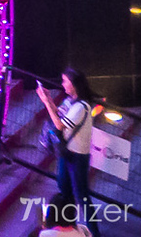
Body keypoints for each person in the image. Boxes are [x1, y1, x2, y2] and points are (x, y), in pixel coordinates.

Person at [37, 69, 101, 237]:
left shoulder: (82, 106)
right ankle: (67, 226)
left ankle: (94, 233)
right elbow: (59, 114)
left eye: (65, 81)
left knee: (82, 197)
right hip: (67, 153)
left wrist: (45, 102)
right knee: (64, 189)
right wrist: (49, 100)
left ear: (74, 84)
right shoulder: (70, 102)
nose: (63, 84)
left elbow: (59, 125)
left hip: (78, 157)